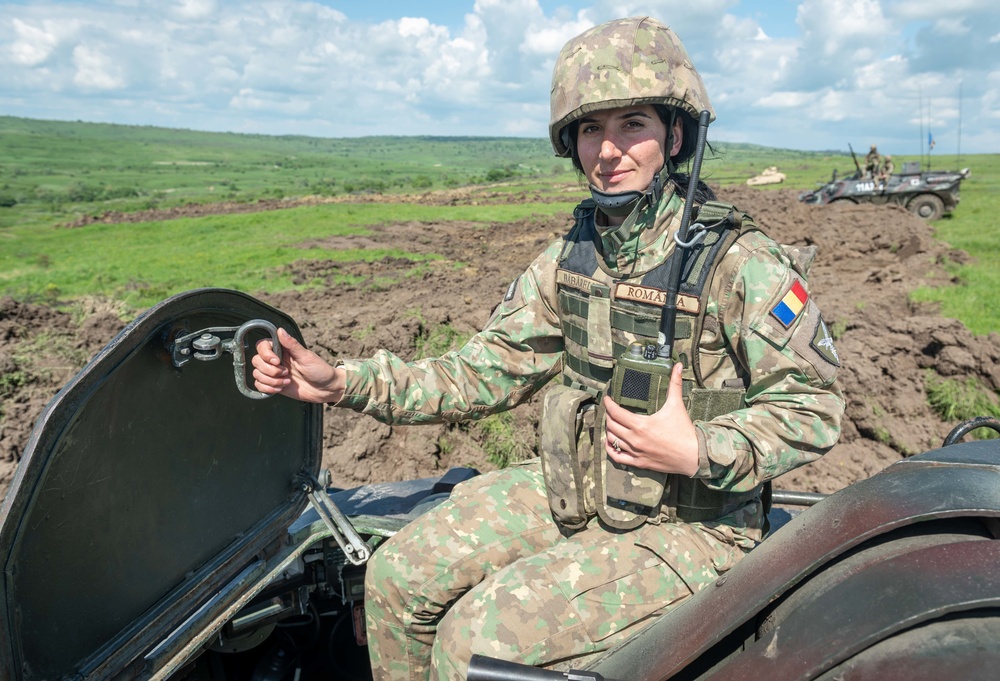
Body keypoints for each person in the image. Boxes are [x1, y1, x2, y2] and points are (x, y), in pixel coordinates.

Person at [251, 16, 844, 681]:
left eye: (633, 126)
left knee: (474, 643)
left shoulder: (739, 262)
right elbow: (481, 371)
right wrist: (345, 383)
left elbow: (815, 406)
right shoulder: (572, 257)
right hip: (577, 491)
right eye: (591, 129)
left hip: (694, 526)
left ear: (674, 135)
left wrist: (697, 449)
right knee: (395, 577)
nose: (609, 150)